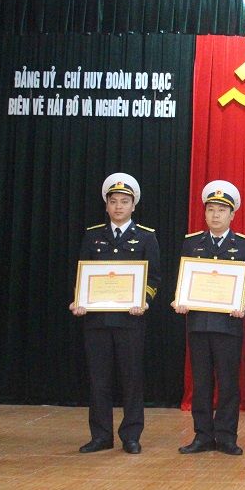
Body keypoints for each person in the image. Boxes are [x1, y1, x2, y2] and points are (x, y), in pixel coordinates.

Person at [70, 173, 161, 455]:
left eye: (124, 201)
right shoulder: (93, 235)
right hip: (96, 320)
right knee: (99, 380)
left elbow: (154, 278)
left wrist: (143, 300)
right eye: (113, 201)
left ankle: (131, 435)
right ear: (106, 205)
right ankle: (101, 436)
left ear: (134, 205)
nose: (118, 206)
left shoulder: (146, 237)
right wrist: (80, 301)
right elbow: (83, 274)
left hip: (130, 320)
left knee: (131, 380)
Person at [173, 180, 245, 456]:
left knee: (228, 383)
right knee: (200, 384)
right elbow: (184, 279)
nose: (215, 215)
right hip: (198, 324)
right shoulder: (192, 243)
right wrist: (180, 298)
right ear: (204, 213)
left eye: (222, 210)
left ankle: (226, 436)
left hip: (228, 325)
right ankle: (202, 435)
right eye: (211, 209)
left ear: (232, 214)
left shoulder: (244, 245)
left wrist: (244, 303)